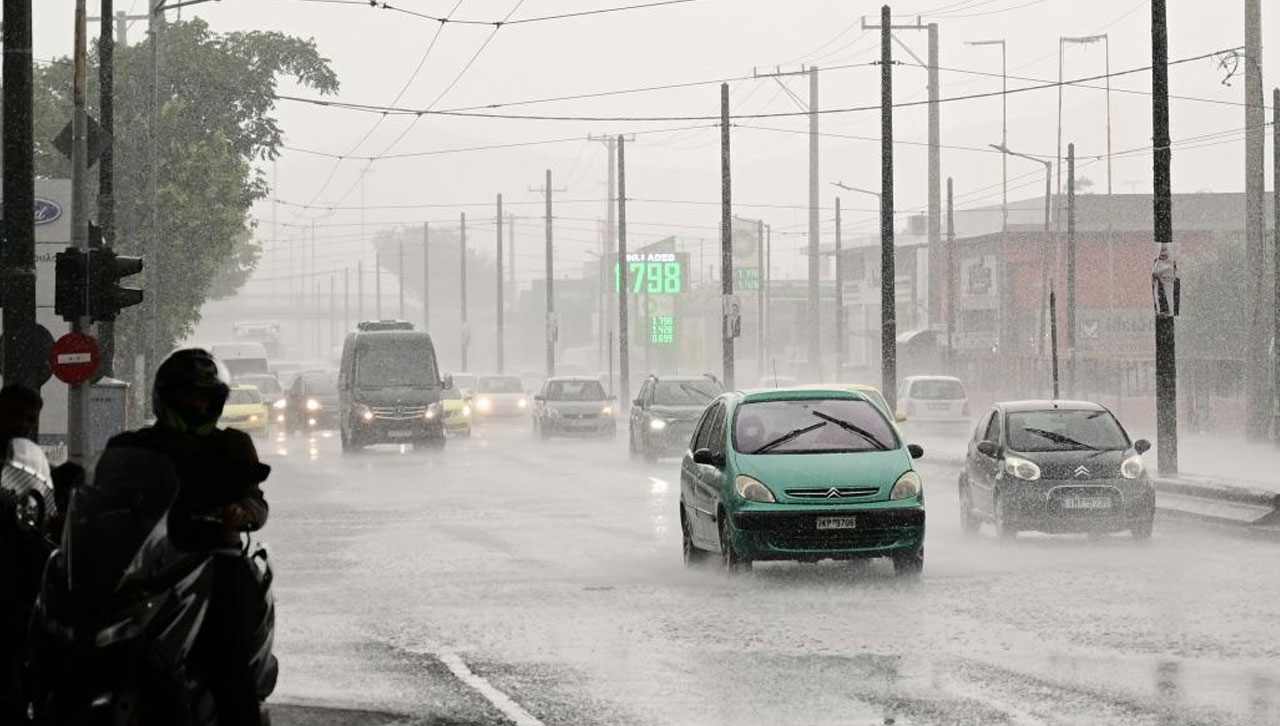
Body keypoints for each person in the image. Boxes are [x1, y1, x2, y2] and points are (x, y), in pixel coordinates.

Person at [105, 349, 269, 725]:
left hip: (212, 561)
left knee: (226, 658)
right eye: (186, 395)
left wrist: (240, 512)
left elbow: (255, 501)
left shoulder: (230, 446)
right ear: (165, 396)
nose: (196, 404)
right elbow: (101, 496)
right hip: (145, 564)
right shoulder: (133, 444)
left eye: (203, 397)